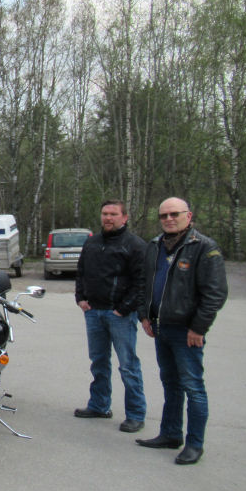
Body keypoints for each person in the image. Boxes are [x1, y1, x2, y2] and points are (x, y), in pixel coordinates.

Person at [137, 197, 228, 465]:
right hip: (161, 327)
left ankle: (194, 444)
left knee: (193, 387)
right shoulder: (155, 245)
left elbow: (215, 293)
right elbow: (145, 283)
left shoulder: (204, 247)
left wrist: (198, 328)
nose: (168, 219)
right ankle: (170, 433)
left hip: (186, 331)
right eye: (163, 215)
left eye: (174, 214)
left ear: (188, 216)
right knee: (171, 384)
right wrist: (145, 315)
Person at [73, 199, 148, 432]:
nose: (108, 218)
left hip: (120, 315)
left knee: (128, 366)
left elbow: (142, 282)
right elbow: (81, 272)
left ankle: (136, 414)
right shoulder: (92, 243)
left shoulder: (135, 245)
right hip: (93, 312)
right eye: (105, 213)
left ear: (124, 217)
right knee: (99, 362)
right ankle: (99, 405)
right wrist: (81, 298)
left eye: (113, 214)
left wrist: (123, 308)